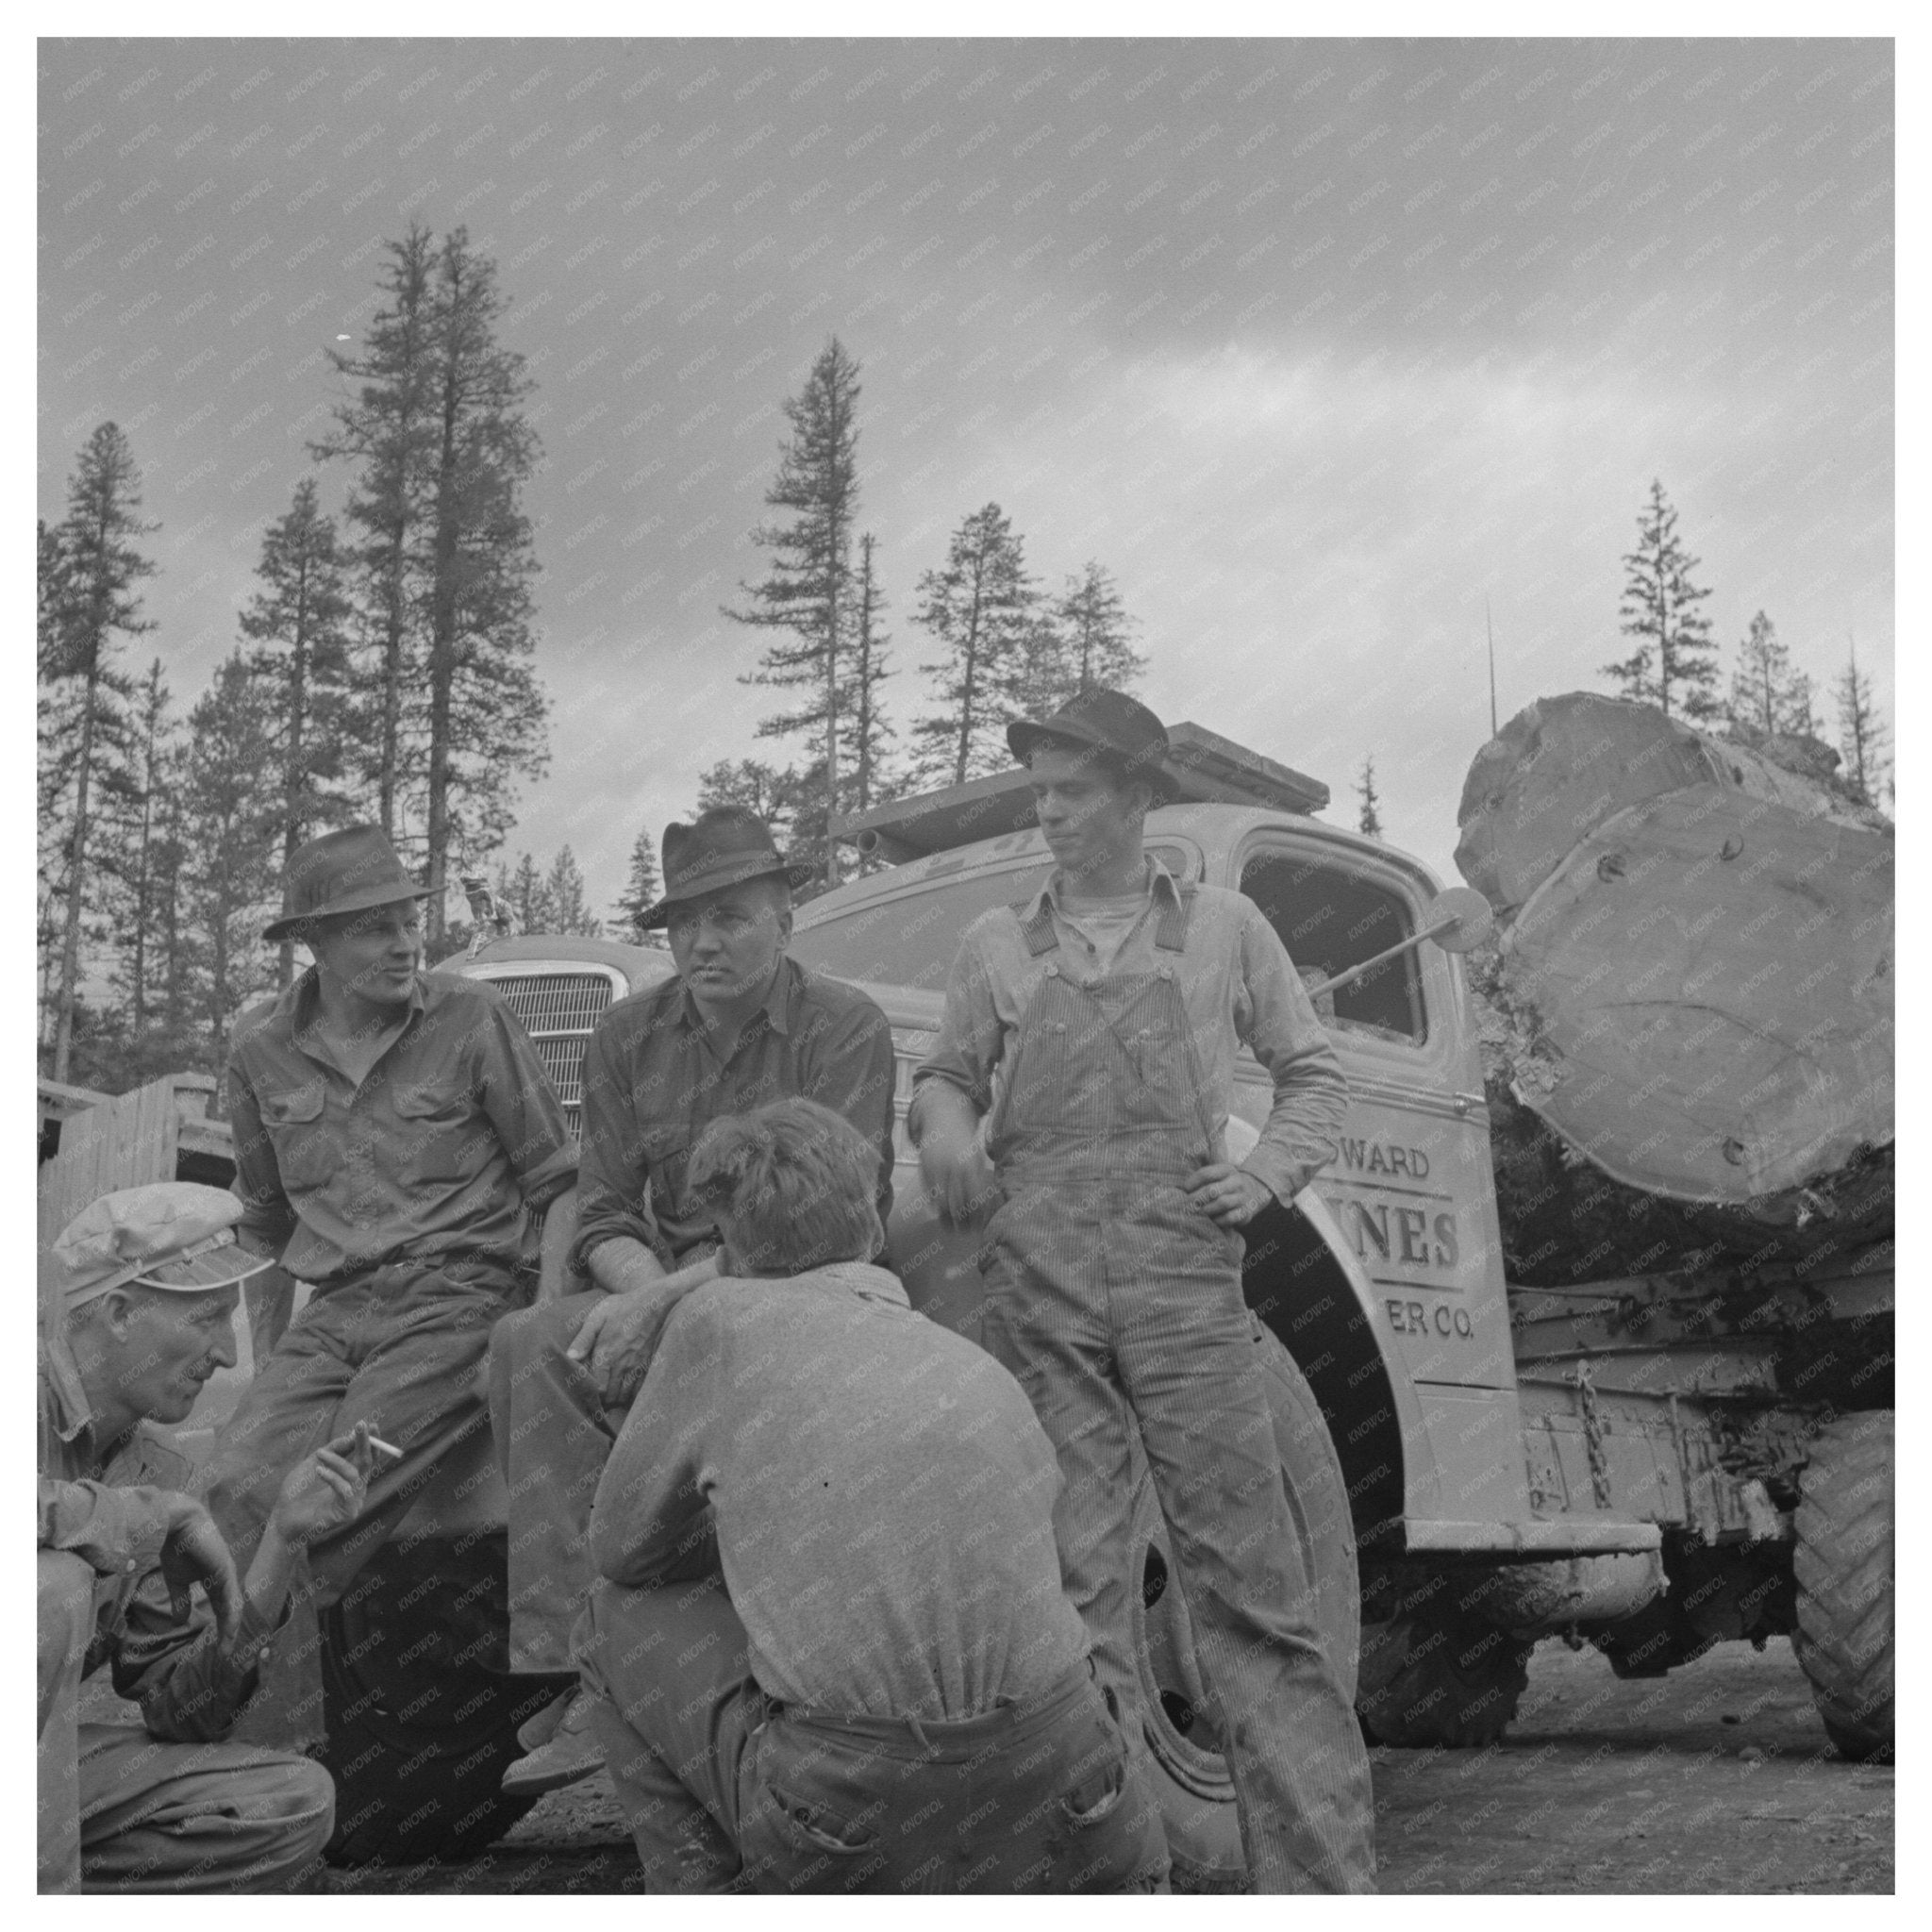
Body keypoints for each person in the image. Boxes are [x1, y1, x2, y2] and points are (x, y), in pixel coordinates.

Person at [909, 687, 1377, 1893]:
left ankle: (1324, 1891)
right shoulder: (993, 946)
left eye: (1070, 790)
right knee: (1078, 1597)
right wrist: (947, 1126)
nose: (1049, 812)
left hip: (1184, 1290)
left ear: (1132, 796)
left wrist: (1264, 1174)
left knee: (1254, 1599)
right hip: (1044, 1292)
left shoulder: (1223, 926)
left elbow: (1311, 1075)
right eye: (1040, 792)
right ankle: (1117, 1887)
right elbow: (947, 1076)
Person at [576, 1098, 1170, 1893]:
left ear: (726, 1245)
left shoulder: (716, 1321)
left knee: (609, 1617)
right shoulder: (969, 1364)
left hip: (855, 1811)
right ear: (873, 1218)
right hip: (1077, 1793)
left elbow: (621, 1549)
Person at [489, 807, 896, 1795]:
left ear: (783, 919)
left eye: (729, 916)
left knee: (669, 1339)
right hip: (668, 1290)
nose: (703, 942)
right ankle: (585, 1662)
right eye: (684, 923)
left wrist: (661, 1302)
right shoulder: (629, 1034)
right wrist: (635, 1295)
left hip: (804, 1290)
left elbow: (834, 1217)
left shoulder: (844, 1025)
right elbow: (602, 1208)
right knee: (527, 1339)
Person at [199, 824, 577, 1615]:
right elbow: (263, 1222)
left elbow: (558, 1182)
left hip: (459, 1299)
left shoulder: (472, 1017)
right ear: (312, 943)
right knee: (230, 1483)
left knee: (337, 1486)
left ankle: (236, 1678)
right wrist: (271, 1367)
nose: (407, 944)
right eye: (376, 928)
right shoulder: (260, 1049)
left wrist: (528, 1339)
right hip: (334, 1312)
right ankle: (215, 1695)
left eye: (411, 921)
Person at [38, 1182, 373, 1892]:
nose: (226, 1354)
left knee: (286, 1803)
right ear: (120, 1312)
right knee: (51, 1588)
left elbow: (180, 1711)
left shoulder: (159, 1470)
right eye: (210, 1319)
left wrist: (280, 1547)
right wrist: (138, 1519)